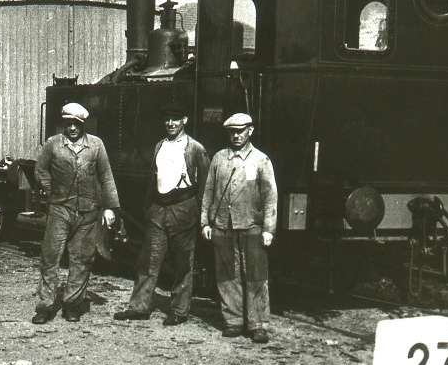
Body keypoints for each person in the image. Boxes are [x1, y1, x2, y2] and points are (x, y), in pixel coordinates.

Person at [115, 101, 210, 326]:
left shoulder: (195, 148)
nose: (170, 124)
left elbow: (205, 185)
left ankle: (179, 310)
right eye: (167, 120)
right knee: (148, 260)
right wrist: (149, 207)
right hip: (158, 210)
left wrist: (198, 214)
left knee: (182, 263)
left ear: (184, 121)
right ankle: (139, 307)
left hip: (183, 209)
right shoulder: (160, 145)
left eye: (175, 119)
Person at [33, 102, 120, 324]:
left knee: (82, 259)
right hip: (60, 210)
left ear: (83, 124)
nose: (72, 128)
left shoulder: (96, 146)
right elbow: (40, 170)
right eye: (68, 123)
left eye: (76, 124)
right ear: (64, 123)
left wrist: (110, 207)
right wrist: (52, 190)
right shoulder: (53, 144)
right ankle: (45, 307)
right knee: (50, 258)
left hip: (88, 213)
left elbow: (106, 176)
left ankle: (72, 305)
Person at [200, 112, 278, 344]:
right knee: (227, 275)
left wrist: (268, 229)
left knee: (255, 275)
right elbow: (208, 192)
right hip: (223, 224)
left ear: (250, 131)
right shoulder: (219, 159)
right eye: (232, 132)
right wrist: (205, 221)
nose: (236, 136)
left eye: (240, 131)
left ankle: (258, 324)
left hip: (252, 225)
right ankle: (233, 320)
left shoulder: (261, 160)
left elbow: (270, 196)